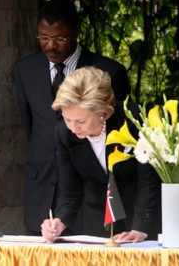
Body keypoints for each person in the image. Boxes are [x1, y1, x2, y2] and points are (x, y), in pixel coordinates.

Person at [12, 0, 130, 235]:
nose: (50, 46)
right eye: (43, 38)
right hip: (42, 188)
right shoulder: (24, 70)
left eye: (59, 38)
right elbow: (31, 125)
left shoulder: (109, 71)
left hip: (91, 198)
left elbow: (120, 132)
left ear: (76, 30)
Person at [40, 66, 161, 242]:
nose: (73, 128)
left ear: (102, 113)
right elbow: (69, 188)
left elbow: (148, 180)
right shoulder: (63, 132)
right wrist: (60, 220)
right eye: (68, 119)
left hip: (139, 215)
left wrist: (140, 228)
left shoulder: (133, 119)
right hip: (96, 219)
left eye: (81, 121)